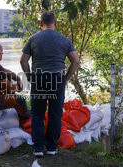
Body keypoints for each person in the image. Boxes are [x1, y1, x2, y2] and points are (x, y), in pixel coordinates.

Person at [20, 11, 79, 156]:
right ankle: (52, 147)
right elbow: (75, 61)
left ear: (41, 23)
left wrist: (29, 77)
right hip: (57, 79)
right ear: (55, 23)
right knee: (55, 113)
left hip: (39, 78)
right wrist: (65, 79)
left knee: (37, 114)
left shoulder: (33, 39)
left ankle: (38, 148)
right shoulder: (65, 40)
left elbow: (23, 60)